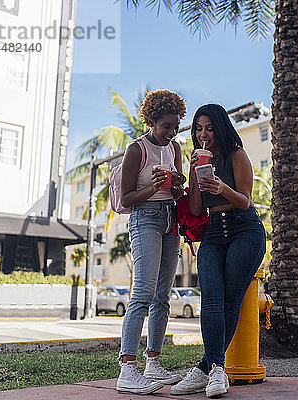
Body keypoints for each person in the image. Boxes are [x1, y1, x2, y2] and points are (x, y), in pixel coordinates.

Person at [171, 104, 266, 398]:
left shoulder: (237, 155)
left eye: (209, 128)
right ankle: (210, 371)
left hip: (244, 230)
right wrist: (194, 175)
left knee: (229, 301)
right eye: (198, 129)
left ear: (221, 128)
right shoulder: (198, 160)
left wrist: (222, 187)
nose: (203, 135)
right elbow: (198, 210)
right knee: (210, 298)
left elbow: (245, 202)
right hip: (212, 232)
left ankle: (210, 371)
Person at [116, 90, 187, 395]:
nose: (171, 133)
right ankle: (127, 369)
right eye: (166, 126)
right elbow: (126, 198)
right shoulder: (137, 150)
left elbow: (178, 191)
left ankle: (153, 362)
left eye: (176, 126)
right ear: (152, 120)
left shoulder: (176, 149)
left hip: (171, 219)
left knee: (163, 296)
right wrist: (153, 187)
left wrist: (178, 184)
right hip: (144, 218)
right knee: (143, 293)